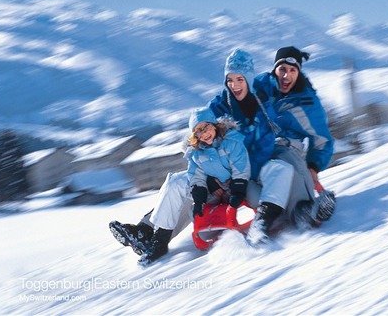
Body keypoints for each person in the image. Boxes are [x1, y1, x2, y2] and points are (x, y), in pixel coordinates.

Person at [109, 49, 274, 263]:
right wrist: (206, 176)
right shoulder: (219, 105)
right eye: (230, 80)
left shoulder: (263, 108)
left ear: (249, 79)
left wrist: (233, 178)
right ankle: (147, 234)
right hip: (214, 175)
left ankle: (150, 235)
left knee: (191, 195)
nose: (235, 85)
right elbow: (199, 137)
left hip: (243, 178)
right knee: (179, 184)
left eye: (240, 79)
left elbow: (262, 150)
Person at [247, 46, 336, 245]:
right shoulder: (258, 87)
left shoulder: (307, 102)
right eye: (282, 69)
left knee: (289, 164)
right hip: (255, 149)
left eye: (292, 70)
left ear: (299, 72)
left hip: (285, 149)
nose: (286, 75)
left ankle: (302, 210)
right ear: (274, 69)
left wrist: (313, 166)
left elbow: (322, 139)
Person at [139, 107, 250, 265]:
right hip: (215, 194)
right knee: (174, 182)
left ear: (215, 125)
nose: (204, 133)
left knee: (179, 190)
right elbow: (196, 176)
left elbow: (241, 167)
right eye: (198, 131)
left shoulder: (231, 142)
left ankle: (147, 231)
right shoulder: (197, 153)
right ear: (194, 135)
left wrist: (237, 188)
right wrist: (199, 197)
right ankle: (159, 241)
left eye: (206, 127)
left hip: (237, 190)